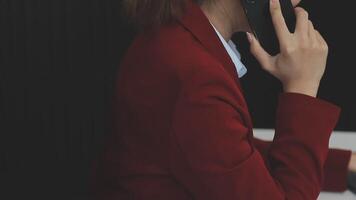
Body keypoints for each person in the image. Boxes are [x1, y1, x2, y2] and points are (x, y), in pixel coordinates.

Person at [90, 0, 356, 199]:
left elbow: (228, 154)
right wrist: (302, 86)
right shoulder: (193, 76)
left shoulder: (178, 39)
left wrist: (342, 165)